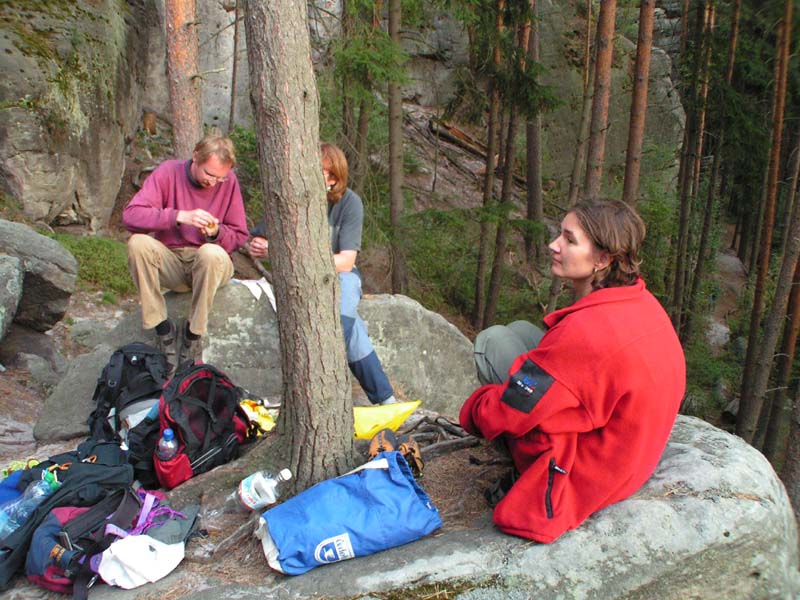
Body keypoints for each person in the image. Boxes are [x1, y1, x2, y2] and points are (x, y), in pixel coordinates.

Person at [460, 199, 685, 543]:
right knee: (521, 331)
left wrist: (476, 410)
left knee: (492, 343)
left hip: (588, 470)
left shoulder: (584, 335)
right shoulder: (639, 302)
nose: (554, 245)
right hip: (630, 454)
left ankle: (523, 470)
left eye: (569, 239)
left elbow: (508, 410)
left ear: (603, 259)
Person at [249, 142, 396, 405]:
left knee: (348, 288)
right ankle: (385, 398)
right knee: (355, 331)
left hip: (337, 276)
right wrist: (261, 247)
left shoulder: (350, 203)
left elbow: (347, 261)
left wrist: (284, 253)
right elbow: (257, 239)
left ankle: (328, 357)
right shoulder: (290, 198)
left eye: (320, 171)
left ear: (333, 178)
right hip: (295, 279)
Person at [122, 133, 249, 369]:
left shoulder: (228, 182)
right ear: (195, 158)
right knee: (138, 243)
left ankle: (193, 335)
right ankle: (162, 329)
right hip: (172, 260)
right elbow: (130, 215)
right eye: (209, 174)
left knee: (210, 253)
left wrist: (215, 233)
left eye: (220, 178)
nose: (213, 182)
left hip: (210, 264)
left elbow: (239, 237)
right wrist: (178, 216)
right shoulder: (169, 172)